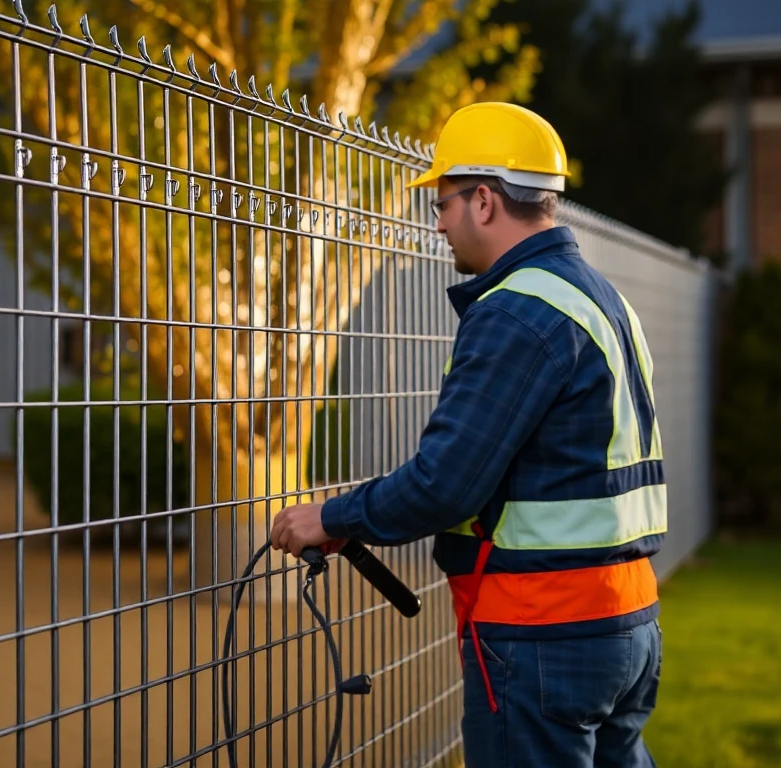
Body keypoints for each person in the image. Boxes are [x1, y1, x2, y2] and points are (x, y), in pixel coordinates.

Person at [267, 101, 665, 767]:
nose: (440, 223)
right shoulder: (602, 298)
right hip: (626, 622)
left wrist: (331, 515)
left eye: (443, 203)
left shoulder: (518, 309)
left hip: (543, 632)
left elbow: (445, 485)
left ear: (484, 200)